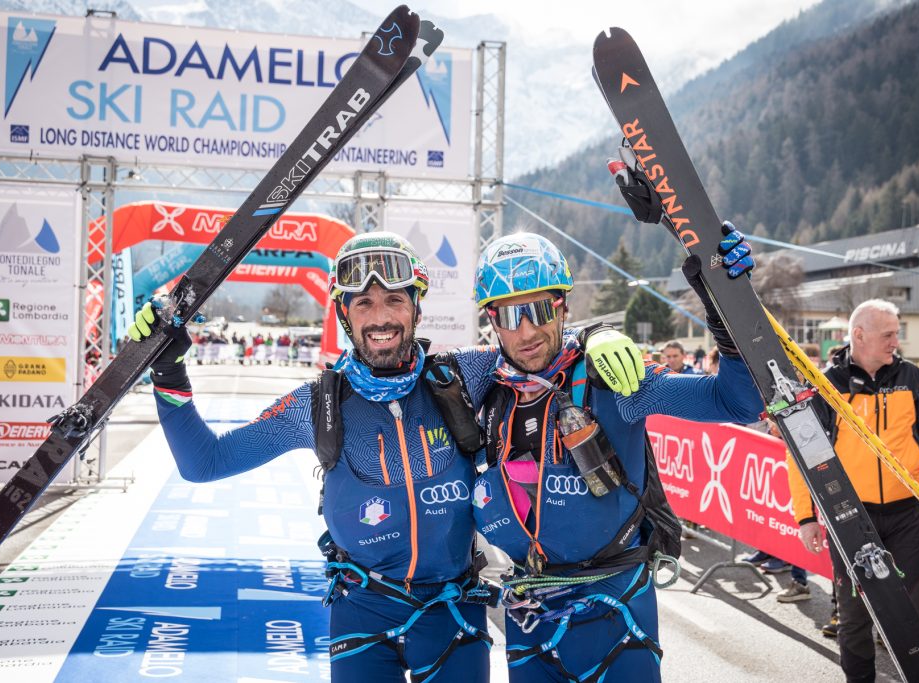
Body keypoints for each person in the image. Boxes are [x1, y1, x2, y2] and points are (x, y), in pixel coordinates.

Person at [128, 232, 644, 683]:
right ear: (343, 313)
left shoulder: (464, 376)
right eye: (363, 303)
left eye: (394, 300)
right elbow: (205, 463)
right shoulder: (318, 405)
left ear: (416, 309)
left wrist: (596, 334)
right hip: (363, 612)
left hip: (454, 612)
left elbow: (534, 341)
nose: (381, 318)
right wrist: (169, 373)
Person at [470, 230, 764, 682]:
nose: (526, 330)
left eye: (540, 309)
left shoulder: (612, 377)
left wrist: (727, 309)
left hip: (615, 611)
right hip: (530, 615)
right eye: (510, 315)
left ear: (563, 307)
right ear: (492, 320)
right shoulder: (486, 387)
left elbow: (738, 403)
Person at [789, 299, 919, 682]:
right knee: (854, 615)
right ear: (859, 335)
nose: (897, 340)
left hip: (909, 513)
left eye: (897, 333)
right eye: (890, 334)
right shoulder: (827, 386)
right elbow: (800, 455)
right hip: (851, 518)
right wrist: (806, 516)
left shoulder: (911, 377)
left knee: (918, 610)